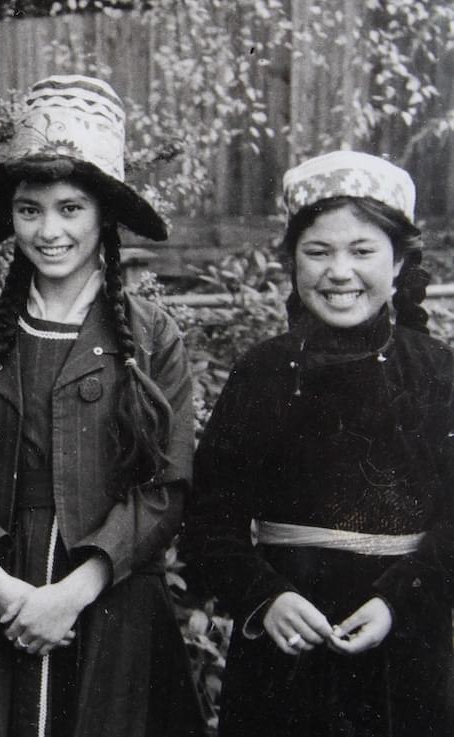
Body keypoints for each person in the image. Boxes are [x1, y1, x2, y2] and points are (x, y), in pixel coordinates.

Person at [0, 75, 202, 737]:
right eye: (30, 210)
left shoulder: (152, 336)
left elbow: (165, 487)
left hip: (111, 596)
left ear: (102, 216)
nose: (49, 230)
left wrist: (73, 592)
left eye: (71, 208)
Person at [183, 151, 453, 737]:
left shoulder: (437, 373)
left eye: (362, 251)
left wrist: (395, 601)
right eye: (318, 252)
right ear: (292, 261)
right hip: (284, 657)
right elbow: (207, 524)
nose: (339, 272)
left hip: (406, 653)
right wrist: (265, 598)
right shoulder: (261, 374)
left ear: (399, 261)